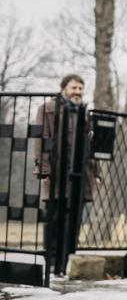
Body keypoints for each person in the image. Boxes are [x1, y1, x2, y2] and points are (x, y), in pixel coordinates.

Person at [32, 74, 101, 272]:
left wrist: (96, 171)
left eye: (80, 88)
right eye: (74, 88)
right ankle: (53, 264)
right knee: (54, 221)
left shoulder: (83, 112)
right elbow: (40, 141)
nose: (77, 92)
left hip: (79, 176)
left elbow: (90, 146)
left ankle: (67, 262)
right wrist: (44, 170)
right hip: (56, 174)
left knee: (74, 222)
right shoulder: (47, 109)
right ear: (63, 88)